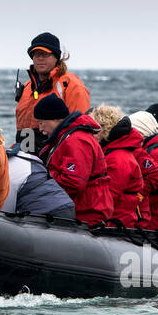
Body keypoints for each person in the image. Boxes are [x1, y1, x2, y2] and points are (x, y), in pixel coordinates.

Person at [33, 94, 111, 226]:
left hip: (87, 212)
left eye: (41, 123)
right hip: (80, 208)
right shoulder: (66, 138)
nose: (40, 129)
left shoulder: (76, 140)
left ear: (55, 119)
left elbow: (73, 183)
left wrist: (43, 178)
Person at [14, 32, 92, 147]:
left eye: (45, 54)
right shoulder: (26, 87)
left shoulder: (72, 85)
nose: (40, 58)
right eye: (36, 54)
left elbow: (82, 129)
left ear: (56, 57)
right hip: (26, 156)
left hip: (55, 158)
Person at [89, 104, 145, 228]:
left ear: (102, 129)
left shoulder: (118, 159)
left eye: (93, 130)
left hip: (117, 222)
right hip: (116, 218)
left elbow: (109, 196)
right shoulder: (115, 152)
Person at [4, 143, 76, 219]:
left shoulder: (9, 171)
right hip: (67, 205)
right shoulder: (28, 157)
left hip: (48, 213)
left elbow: (6, 212)